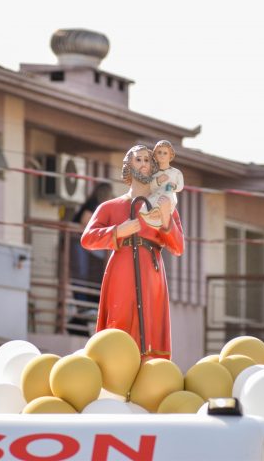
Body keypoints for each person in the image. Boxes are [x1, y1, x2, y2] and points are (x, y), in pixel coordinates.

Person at [81, 144, 184, 359]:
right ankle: (117, 361)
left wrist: (166, 218)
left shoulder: (164, 205)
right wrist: (118, 231)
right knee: (120, 317)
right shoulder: (110, 207)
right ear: (129, 165)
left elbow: (178, 247)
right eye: (138, 159)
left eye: (148, 160)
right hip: (121, 269)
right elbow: (87, 239)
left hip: (151, 272)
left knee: (149, 321)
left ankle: (149, 365)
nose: (144, 164)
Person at [67, 183, 113, 336]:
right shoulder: (93, 205)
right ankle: (82, 307)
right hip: (78, 244)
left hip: (82, 246)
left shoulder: (94, 204)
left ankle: (84, 309)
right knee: (80, 275)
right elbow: (85, 222)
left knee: (86, 276)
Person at [139, 140, 184, 228]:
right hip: (155, 196)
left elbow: (181, 186)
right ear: (155, 155)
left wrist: (174, 186)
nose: (162, 155)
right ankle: (152, 215)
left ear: (170, 155)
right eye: (159, 152)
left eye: (165, 153)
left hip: (169, 195)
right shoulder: (153, 173)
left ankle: (160, 215)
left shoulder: (176, 172)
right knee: (147, 206)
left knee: (166, 200)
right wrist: (158, 180)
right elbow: (150, 187)